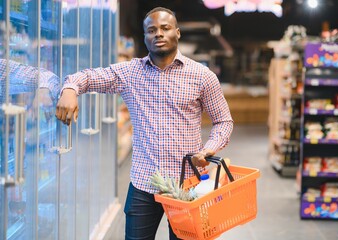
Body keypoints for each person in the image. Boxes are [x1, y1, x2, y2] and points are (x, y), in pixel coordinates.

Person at [55, 7, 233, 240]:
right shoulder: (130, 73)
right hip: (143, 183)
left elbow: (223, 122)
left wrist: (210, 148)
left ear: (177, 33)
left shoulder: (202, 76)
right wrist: (70, 88)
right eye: (151, 30)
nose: (158, 33)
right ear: (145, 37)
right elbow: (88, 77)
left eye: (165, 28)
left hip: (188, 185)